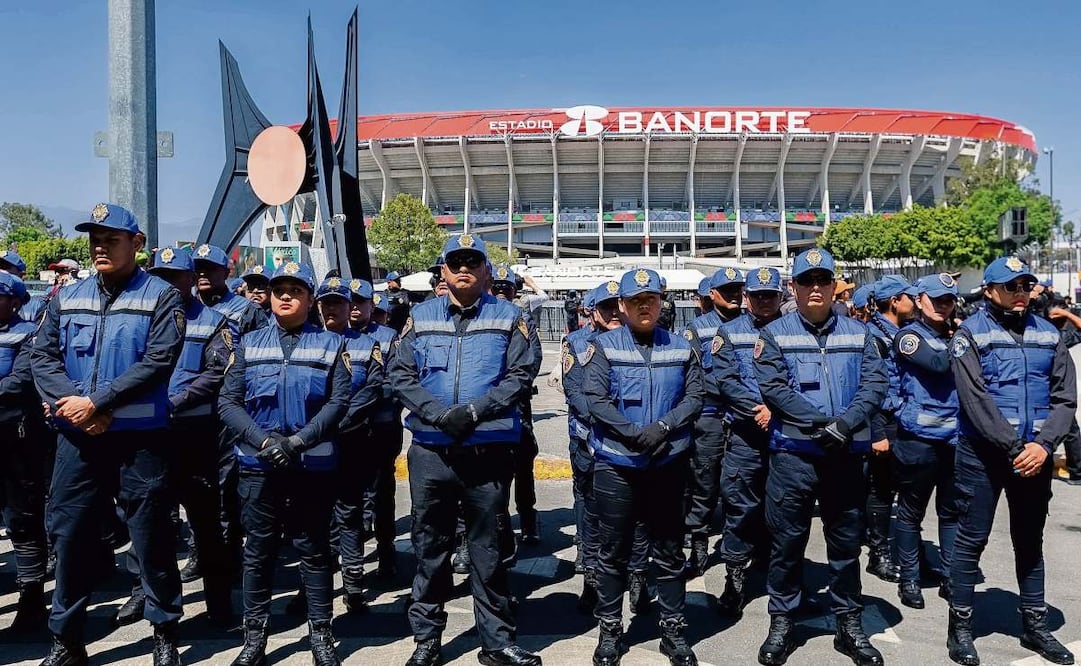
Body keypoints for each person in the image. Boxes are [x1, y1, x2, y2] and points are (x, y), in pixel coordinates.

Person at [31, 203, 187, 666]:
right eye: (95, 240)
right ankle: (66, 640)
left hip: (140, 439)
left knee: (151, 538)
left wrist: (98, 403)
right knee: (71, 537)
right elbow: (42, 358)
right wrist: (77, 408)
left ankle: (164, 633)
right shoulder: (67, 296)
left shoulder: (161, 296)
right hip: (79, 438)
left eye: (111, 239)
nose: (100, 247)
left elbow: (158, 361)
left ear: (136, 244)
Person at [389, 233, 541, 666]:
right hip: (432, 451)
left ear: (486, 271)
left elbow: (521, 374)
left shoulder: (510, 316)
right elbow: (399, 373)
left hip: (486, 450)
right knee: (430, 547)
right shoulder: (420, 316)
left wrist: (475, 411)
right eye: (455, 262)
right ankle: (427, 640)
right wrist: (437, 414)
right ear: (443, 270)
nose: (463, 269)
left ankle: (496, 643)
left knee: (487, 550)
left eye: (472, 262)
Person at [753, 247, 887, 666]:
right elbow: (773, 388)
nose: (815, 287)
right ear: (793, 287)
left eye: (823, 280)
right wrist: (821, 423)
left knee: (845, 545)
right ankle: (782, 621)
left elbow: (875, 385)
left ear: (833, 286)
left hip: (845, 455)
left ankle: (849, 625)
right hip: (794, 457)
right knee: (787, 544)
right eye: (806, 280)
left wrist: (844, 425)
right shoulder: (773, 334)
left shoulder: (861, 333)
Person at [217, 261, 352, 666]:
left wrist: (296, 442)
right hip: (258, 465)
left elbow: (338, 402)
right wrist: (263, 441)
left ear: (311, 299)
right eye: (279, 291)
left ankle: (321, 634)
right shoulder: (248, 343)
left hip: (311, 466)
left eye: (296, 290)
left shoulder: (331, 344)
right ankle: (254, 638)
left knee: (314, 550)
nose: (286, 297)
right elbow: (228, 402)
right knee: (258, 552)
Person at [945, 256, 1076, 666]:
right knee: (971, 539)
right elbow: (975, 400)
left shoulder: (1048, 334)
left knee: (1030, 539)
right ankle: (960, 627)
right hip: (983, 456)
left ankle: (1035, 625)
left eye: (1025, 286)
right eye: (1010, 286)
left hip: (1035, 456)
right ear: (989, 291)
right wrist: (1016, 447)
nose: (1020, 293)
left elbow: (1065, 399)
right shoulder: (970, 334)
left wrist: (1043, 446)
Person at [584, 267, 704, 666]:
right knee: (613, 553)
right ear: (622, 305)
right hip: (617, 463)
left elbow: (695, 397)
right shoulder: (603, 346)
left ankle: (673, 632)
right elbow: (595, 399)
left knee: (669, 552)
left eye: (650, 299)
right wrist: (633, 434)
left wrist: (663, 428)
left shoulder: (682, 346)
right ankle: (610, 632)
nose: (644, 306)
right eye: (635, 300)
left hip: (667, 461)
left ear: (660, 302)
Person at [132, 246, 235, 625]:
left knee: (206, 524)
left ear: (191, 280)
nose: (166, 284)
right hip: (149, 433)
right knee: (148, 521)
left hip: (195, 436)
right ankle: (143, 594)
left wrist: (175, 401)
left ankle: (218, 603)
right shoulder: (140, 317)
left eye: (174, 277)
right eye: (159, 277)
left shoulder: (213, 322)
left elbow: (216, 372)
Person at [193, 243, 269, 582]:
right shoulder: (185, 306)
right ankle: (200, 551)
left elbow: (260, 356)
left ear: (226, 272)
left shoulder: (246, 310)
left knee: (228, 486)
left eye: (210, 268)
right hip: (191, 410)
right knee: (196, 487)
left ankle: (230, 552)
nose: (203, 274)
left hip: (229, 410)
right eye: (198, 268)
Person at [315, 276, 386, 612]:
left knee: (349, 512)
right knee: (316, 516)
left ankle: (354, 584)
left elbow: (372, 389)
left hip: (351, 439)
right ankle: (316, 582)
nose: (332, 308)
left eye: (339, 303)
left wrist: (337, 422)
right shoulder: (307, 342)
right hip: (314, 443)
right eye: (326, 302)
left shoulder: (367, 345)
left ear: (349, 307)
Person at [715, 266, 782, 616]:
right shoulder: (728, 333)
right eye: (758, 296)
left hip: (786, 433)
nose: (764, 301)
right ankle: (735, 577)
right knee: (740, 508)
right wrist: (759, 411)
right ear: (746, 297)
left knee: (784, 509)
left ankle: (780, 577)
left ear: (781, 296)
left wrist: (777, 410)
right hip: (745, 434)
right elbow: (727, 381)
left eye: (770, 295)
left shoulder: (795, 331)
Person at [891, 273, 961, 610]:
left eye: (949, 300)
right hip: (918, 440)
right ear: (920, 300)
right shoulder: (909, 336)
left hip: (955, 439)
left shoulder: (955, 335)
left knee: (951, 513)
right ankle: (909, 579)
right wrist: (963, 341)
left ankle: (950, 577)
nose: (943, 306)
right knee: (910, 513)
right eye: (936, 300)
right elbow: (938, 363)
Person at [683, 266, 744, 578]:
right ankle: (698, 545)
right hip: (709, 415)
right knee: (704, 483)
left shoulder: (753, 325)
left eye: (738, 290)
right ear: (713, 294)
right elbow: (691, 375)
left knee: (739, 485)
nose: (734, 295)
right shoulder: (697, 328)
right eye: (727, 290)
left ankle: (738, 551)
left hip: (743, 415)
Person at [0, 272, 49, 633]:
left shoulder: (29, 334)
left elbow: (19, 381)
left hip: (15, 440)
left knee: (22, 519)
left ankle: (31, 599)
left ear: (14, 302)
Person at [346, 277, 402, 578]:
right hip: (345, 429)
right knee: (348, 496)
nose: (355, 308)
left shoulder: (388, 337)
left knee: (382, 493)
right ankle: (350, 557)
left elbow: (394, 382)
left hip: (380, 427)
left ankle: (386, 551)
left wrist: (362, 404)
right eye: (351, 302)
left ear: (371, 305)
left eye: (361, 302)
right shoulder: (334, 335)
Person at [864, 275, 918, 583]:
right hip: (884, 420)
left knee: (907, 490)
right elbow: (870, 389)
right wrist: (877, 433)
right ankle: (879, 554)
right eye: (910, 297)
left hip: (906, 420)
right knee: (882, 490)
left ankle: (910, 554)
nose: (916, 302)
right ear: (895, 301)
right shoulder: (873, 336)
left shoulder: (906, 333)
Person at [493, 265, 544, 544]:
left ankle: (528, 519)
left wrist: (512, 389)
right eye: (497, 287)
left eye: (507, 288)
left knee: (524, 464)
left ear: (515, 292)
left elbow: (533, 358)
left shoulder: (523, 319)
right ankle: (498, 522)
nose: (501, 292)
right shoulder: (482, 316)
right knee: (493, 470)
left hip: (517, 403)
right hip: (489, 405)